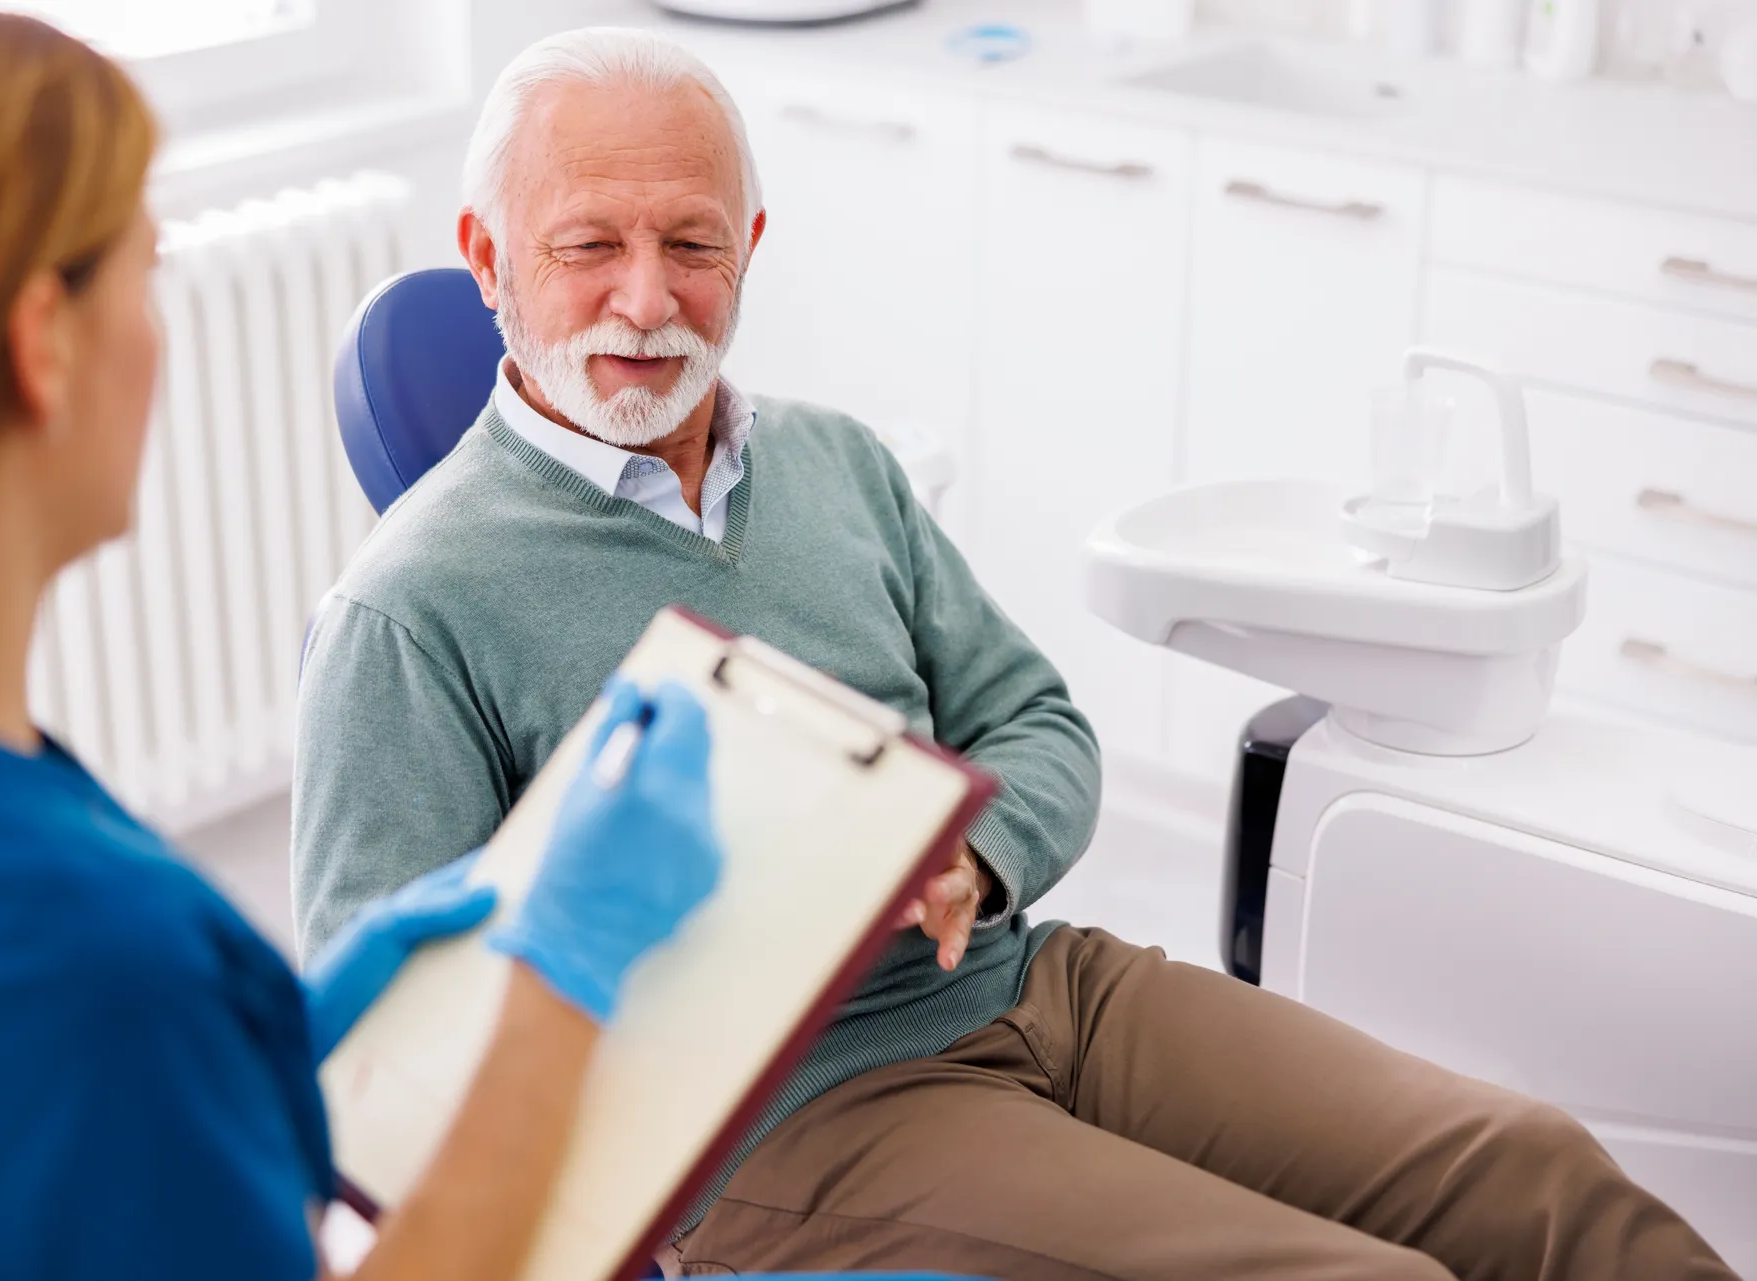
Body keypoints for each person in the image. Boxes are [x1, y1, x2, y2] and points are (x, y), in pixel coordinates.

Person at [290, 25, 1738, 1281]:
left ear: (755, 249)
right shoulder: (409, 609)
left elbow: (1035, 720)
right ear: (486, 258)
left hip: (1036, 982)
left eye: (693, 245)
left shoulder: (835, 465)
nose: (649, 302)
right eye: (589, 246)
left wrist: (974, 865)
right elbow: (399, 1081)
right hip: (793, 1120)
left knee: (1531, 1169)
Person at [0, 7, 883, 1281]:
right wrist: (565, 971)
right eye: (146, 270)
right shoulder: (71, 959)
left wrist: (264, 1046)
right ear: (40, 347)